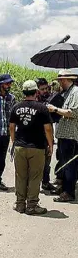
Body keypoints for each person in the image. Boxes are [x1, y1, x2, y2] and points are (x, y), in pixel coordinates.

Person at [9, 80, 53, 215]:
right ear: (36, 92)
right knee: (35, 176)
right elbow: (48, 129)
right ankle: (32, 205)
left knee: (20, 176)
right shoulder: (42, 108)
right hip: (37, 147)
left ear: (23, 92)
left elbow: (11, 127)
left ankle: (20, 204)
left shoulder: (16, 107)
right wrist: (50, 145)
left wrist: (14, 142)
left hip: (20, 147)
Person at [47, 69, 78, 202]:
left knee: (70, 164)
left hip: (71, 135)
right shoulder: (65, 93)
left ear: (65, 80)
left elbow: (74, 112)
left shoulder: (76, 92)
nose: (59, 82)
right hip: (63, 134)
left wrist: (55, 109)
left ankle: (69, 192)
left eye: (60, 80)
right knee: (63, 163)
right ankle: (64, 187)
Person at [35, 78, 56, 191]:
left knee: (47, 160)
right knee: (37, 162)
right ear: (37, 90)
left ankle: (46, 182)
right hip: (37, 135)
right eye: (42, 89)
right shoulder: (33, 100)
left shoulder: (50, 97)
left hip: (48, 134)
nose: (45, 91)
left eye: (46, 88)